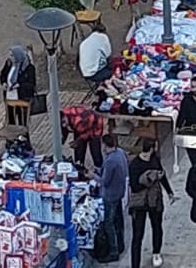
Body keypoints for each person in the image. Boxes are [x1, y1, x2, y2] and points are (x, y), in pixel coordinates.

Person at [128, 137, 173, 268]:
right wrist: (150, 179)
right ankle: (135, 264)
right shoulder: (135, 164)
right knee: (138, 235)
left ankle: (156, 252)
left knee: (157, 227)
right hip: (139, 203)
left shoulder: (155, 160)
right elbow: (135, 186)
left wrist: (169, 191)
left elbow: (162, 175)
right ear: (152, 148)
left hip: (154, 200)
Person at [97, 134, 128, 262]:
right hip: (120, 192)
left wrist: (93, 176)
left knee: (109, 223)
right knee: (118, 219)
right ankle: (120, 244)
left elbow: (104, 181)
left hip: (111, 196)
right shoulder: (120, 152)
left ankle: (114, 251)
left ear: (105, 145)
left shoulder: (110, 161)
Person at [0, 45, 36, 125]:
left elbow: (31, 84)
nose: (11, 58)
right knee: (11, 118)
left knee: (22, 119)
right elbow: (3, 75)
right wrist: (4, 83)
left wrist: (19, 85)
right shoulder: (9, 64)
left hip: (22, 97)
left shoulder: (29, 68)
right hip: (10, 96)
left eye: (12, 55)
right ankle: (12, 131)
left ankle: (22, 132)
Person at [62, 104, 106, 169]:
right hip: (83, 125)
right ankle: (79, 166)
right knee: (78, 152)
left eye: (64, 122)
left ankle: (100, 169)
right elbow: (64, 130)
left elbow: (86, 134)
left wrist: (77, 141)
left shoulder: (78, 120)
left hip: (96, 127)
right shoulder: (65, 113)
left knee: (95, 151)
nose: (64, 125)